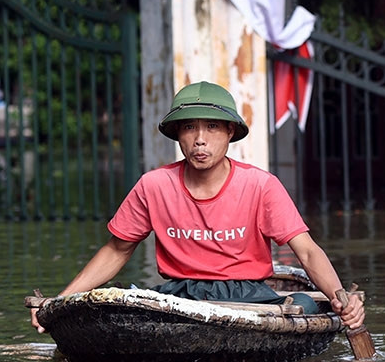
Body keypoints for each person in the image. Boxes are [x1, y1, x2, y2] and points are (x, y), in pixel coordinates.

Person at [31, 81, 366, 332]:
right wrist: (57, 303)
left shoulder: (260, 185)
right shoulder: (154, 185)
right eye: (190, 127)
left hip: (249, 296)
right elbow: (117, 250)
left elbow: (306, 251)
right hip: (181, 294)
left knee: (307, 304)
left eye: (212, 127)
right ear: (178, 135)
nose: (200, 139)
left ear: (229, 131)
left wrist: (340, 297)